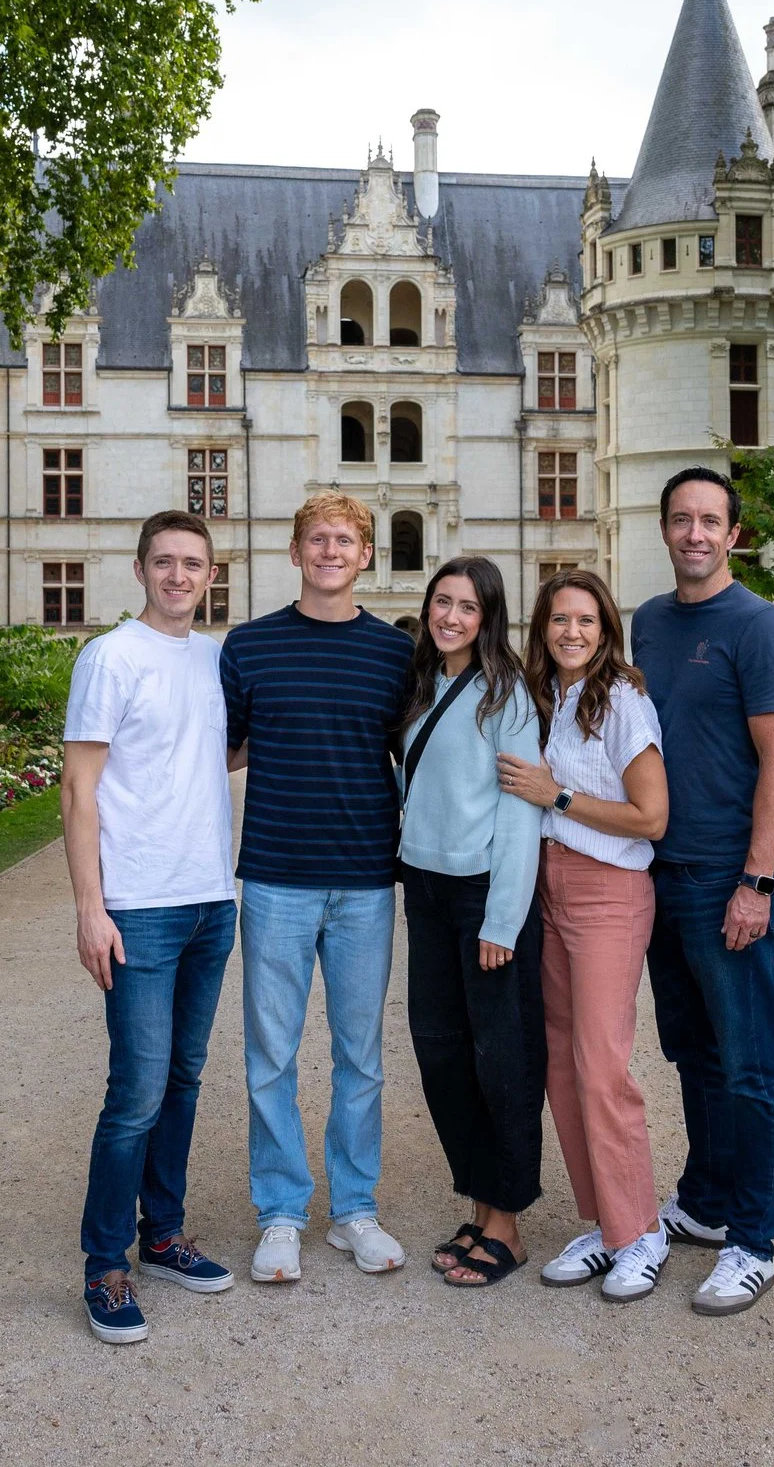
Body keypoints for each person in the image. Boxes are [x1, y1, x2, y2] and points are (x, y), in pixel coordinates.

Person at [221, 492, 417, 1283]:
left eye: (345, 540)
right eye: (317, 539)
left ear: (365, 554)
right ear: (294, 550)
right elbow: (220, 750)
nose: (331, 551)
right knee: (271, 1053)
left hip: (367, 879)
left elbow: (425, 760)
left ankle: (354, 1210)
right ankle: (279, 1211)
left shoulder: (395, 655)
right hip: (274, 877)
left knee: (360, 1056)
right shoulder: (251, 645)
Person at [62, 510, 241, 1344]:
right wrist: (89, 907)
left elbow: (217, 750)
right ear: (140, 569)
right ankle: (105, 1264)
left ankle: (162, 1233)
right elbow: (78, 786)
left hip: (211, 897)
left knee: (184, 1078)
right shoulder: (110, 656)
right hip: (135, 904)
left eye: (192, 564)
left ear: (213, 574)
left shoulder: (212, 659)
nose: (178, 576)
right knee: (134, 1089)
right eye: (164, 562)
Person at [630, 466, 774, 1317]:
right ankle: (704, 1199)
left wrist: (757, 880)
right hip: (661, 875)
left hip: (724, 880)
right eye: (681, 519)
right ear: (663, 530)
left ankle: (753, 1237)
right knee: (691, 1053)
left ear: (734, 534)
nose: (695, 533)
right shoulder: (651, 623)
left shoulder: (758, 625)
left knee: (751, 1064)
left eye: (711, 521)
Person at [497, 568, 672, 1301]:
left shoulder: (624, 699)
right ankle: (606, 1224)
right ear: (542, 630)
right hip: (551, 885)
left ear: (606, 630)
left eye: (586, 621)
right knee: (562, 1065)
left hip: (608, 893)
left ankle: (642, 1232)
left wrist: (557, 795)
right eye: (559, 620)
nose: (572, 632)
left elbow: (651, 817)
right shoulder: (551, 699)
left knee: (603, 1066)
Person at [395, 557, 546, 1288]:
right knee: (443, 1055)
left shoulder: (508, 695)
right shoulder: (427, 682)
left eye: (467, 607)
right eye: (442, 601)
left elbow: (521, 813)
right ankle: (482, 1200)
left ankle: (508, 1225)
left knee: (502, 1062)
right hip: (425, 889)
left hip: (485, 897)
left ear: (489, 617)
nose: (450, 616)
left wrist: (503, 921)